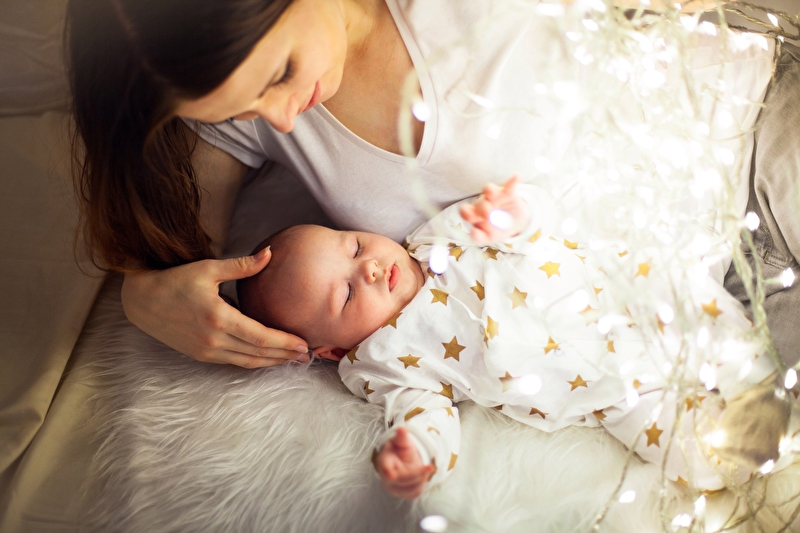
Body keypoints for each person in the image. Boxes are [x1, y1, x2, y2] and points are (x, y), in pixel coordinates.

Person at [65, 0, 800, 370]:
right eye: (245, 108)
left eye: (280, 73)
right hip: (691, 297)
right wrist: (143, 296)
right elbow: (181, 255)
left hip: (750, 131)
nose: (282, 116)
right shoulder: (252, 122)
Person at [237, 177, 789, 499]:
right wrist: (417, 451)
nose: (370, 269)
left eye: (354, 247)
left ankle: (753, 381)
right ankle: (755, 446)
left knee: (692, 303)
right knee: (685, 453)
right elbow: (423, 413)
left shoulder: (435, 238)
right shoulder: (384, 363)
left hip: (619, 292)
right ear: (334, 350)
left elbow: (534, 221)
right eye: (346, 295)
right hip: (608, 391)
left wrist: (509, 215)